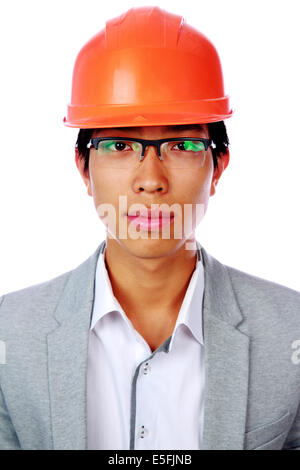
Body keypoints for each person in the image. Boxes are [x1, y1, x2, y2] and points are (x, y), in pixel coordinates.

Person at [0, 6, 299, 451]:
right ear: (83, 167)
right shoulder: (10, 334)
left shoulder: (291, 330)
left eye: (182, 144)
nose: (151, 179)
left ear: (218, 165)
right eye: (120, 145)